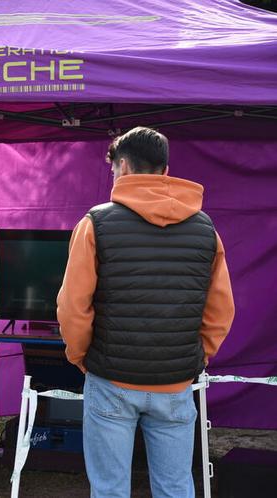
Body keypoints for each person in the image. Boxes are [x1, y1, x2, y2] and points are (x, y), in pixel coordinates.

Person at [57, 126, 235, 498]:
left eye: (113, 169)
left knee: (110, 489)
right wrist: (197, 356)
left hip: (111, 379)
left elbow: (73, 307)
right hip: (175, 381)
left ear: (122, 167)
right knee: (175, 487)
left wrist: (81, 357)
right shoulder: (206, 229)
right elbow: (221, 310)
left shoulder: (95, 224)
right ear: (165, 170)